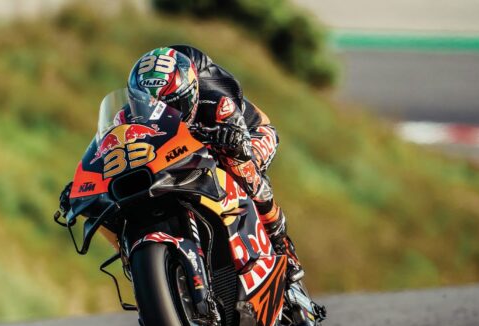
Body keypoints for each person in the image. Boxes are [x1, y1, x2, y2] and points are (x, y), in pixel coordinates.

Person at [61, 45, 303, 282]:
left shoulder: (218, 102)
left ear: (191, 93)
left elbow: (241, 144)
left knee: (238, 163)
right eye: (150, 107)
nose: (165, 113)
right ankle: (133, 262)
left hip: (251, 132)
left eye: (173, 106)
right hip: (189, 147)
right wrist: (85, 185)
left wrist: (228, 137)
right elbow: (111, 152)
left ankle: (281, 243)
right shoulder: (125, 117)